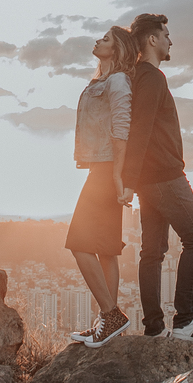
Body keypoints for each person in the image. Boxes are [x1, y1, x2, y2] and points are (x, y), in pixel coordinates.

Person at [120, 13, 193, 342]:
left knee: (152, 250)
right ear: (152, 40)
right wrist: (127, 179)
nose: (170, 41)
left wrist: (132, 180)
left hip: (148, 180)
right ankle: (185, 323)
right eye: (165, 34)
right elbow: (140, 130)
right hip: (164, 177)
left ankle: (153, 328)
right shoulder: (151, 77)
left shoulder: (137, 76)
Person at [65, 25, 137, 348]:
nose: (97, 40)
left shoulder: (118, 81)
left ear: (118, 49)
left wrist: (120, 176)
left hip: (107, 172)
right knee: (106, 250)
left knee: (79, 243)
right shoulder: (104, 80)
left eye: (105, 38)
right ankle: (105, 323)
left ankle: (110, 315)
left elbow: (122, 129)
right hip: (103, 168)